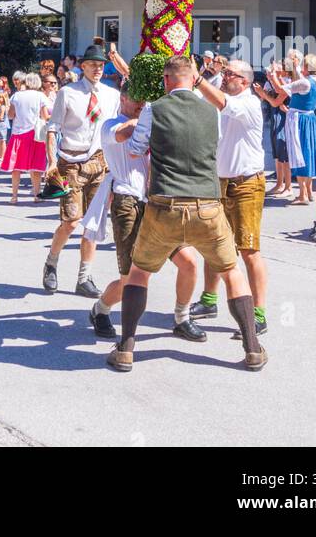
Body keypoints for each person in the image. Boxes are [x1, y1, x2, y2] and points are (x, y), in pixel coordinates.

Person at [103, 54, 267, 374]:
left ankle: (125, 349)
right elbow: (212, 145)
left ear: (166, 81)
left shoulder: (153, 108)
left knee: (139, 273)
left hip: (164, 204)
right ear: (194, 80)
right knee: (232, 270)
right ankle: (252, 348)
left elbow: (136, 149)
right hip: (207, 204)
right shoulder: (213, 111)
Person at [85, 85, 204, 345]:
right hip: (127, 203)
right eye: (136, 99)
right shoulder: (110, 125)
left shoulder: (151, 122)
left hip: (157, 203)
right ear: (123, 98)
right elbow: (126, 133)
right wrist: (151, 115)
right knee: (132, 278)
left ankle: (182, 318)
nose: (140, 103)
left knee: (190, 263)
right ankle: (101, 309)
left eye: (144, 101)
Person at [191, 60, 268, 339]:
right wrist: (198, 77)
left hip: (247, 184)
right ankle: (209, 301)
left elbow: (219, 100)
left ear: (245, 82)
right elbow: (197, 98)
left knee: (248, 250)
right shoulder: (221, 97)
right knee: (214, 245)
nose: (224, 77)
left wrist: (199, 77)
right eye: (224, 73)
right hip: (219, 182)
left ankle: (258, 314)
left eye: (230, 74)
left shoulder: (248, 103)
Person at [42, 44, 120, 298]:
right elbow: (53, 127)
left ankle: (84, 277)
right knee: (71, 221)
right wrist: (51, 160)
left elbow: (115, 128)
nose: (97, 69)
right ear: (83, 66)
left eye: (100, 65)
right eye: (92, 65)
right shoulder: (68, 93)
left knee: (93, 224)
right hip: (70, 162)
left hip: (98, 163)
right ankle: (51, 262)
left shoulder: (112, 95)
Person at [271, 54, 316, 204]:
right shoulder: (315, 82)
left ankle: (302, 195)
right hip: (310, 119)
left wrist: (273, 74)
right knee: (308, 152)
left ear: (307, 67)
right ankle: (308, 191)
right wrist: (296, 66)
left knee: (298, 156)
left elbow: (280, 89)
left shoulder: (305, 83)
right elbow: (298, 78)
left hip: (298, 120)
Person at [1, 71, 50, 203]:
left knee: (16, 168)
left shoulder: (16, 96)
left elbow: (10, 116)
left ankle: (14, 196)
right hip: (35, 134)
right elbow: (45, 116)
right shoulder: (40, 96)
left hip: (18, 134)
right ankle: (36, 195)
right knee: (36, 167)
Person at [258, 59, 291, 195]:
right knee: (276, 152)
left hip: (283, 116)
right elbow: (263, 99)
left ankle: (288, 187)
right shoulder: (270, 82)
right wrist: (262, 93)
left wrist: (265, 93)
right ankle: (279, 183)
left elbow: (276, 102)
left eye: (273, 69)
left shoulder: (287, 81)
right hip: (275, 115)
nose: (269, 72)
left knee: (283, 151)